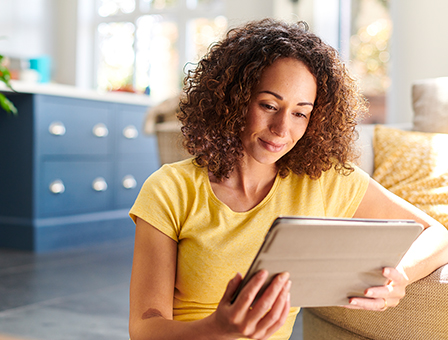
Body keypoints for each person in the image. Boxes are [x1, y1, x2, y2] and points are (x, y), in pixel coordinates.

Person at [128, 18, 448, 340]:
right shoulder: (170, 189)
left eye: (300, 113)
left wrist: (399, 277)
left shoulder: (322, 181)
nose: (282, 129)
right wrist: (219, 328)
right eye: (269, 105)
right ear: (233, 100)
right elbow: (144, 329)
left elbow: (436, 234)